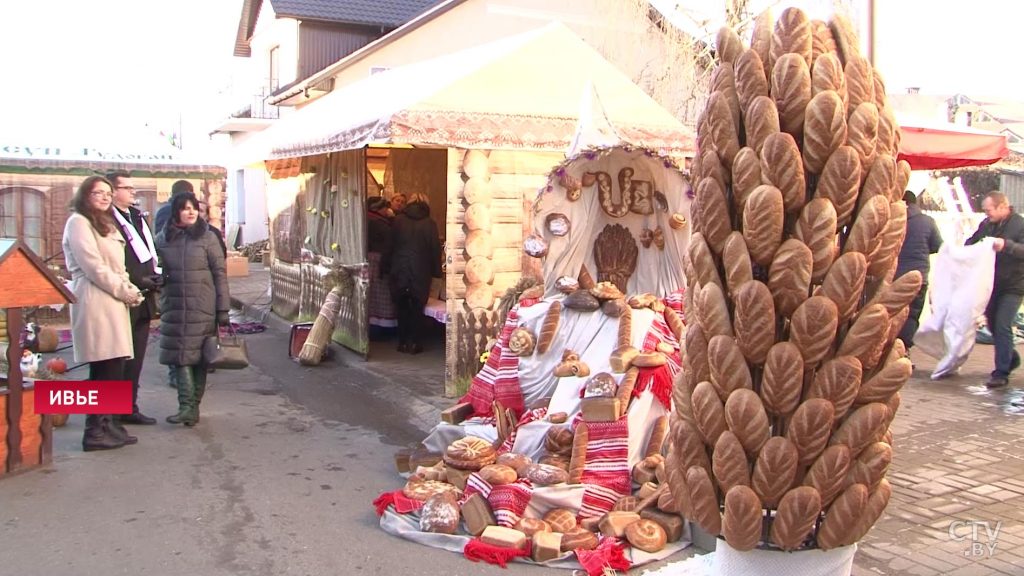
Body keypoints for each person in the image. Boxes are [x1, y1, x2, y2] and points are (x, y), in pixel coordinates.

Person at [62, 176, 145, 451]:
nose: (105, 196)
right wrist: (124, 291)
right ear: (85, 195)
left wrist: (130, 288)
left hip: (113, 300)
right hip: (95, 299)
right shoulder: (78, 222)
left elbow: (118, 267)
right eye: (98, 192)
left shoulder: (105, 223)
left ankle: (110, 424)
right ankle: (95, 431)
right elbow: (93, 267)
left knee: (114, 365)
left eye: (108, 192)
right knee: (103, 366)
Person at [155, 192, 231, 425]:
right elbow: (155, 270)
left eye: (194, 208)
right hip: (175, 306)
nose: (191, 212)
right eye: (185, 208)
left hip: (202, 307)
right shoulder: (162, 239)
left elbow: (220, 274)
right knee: (181, 358)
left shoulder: (208, 238)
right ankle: (187, 407)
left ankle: (192, 407)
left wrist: (223, 309)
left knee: (200, 358)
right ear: (176, 211)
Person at [106, 170, 160, 425]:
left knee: (136, 357)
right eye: (126, 188)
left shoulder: (136, 216)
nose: (132, 192)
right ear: (113, 191)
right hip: (121, 294)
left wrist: (156, 275)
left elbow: (148, 250)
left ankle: (129, 407)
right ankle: (110, 415)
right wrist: (137, 280)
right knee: (117, 358)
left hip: (144, 295)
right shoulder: (106, 220)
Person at [965, 191, 1024, 388]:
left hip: (1014, 285)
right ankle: (1010, 358)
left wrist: (1006, 245)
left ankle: (1001, 373)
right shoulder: (987, 225)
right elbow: (972, 242)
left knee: (1002, 324)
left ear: (1002, 207)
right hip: (991, 284)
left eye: (988, 210)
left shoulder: (1020, 224)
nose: (986, 213)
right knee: (992, 325)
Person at [153, 179, 199, 389]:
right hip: (175, 280)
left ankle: (187, 370)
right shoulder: (168, 215)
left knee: (185, 330)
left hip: (188, 281)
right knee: (176, 330)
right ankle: (176, 372)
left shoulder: (199, 226)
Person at [389, 192, 441, 354]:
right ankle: (416, 343)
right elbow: (435, 248)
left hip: (400, 268)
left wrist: (385, 266)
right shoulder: (429, 223)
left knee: (402, 305)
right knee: (417, 307)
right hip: (421, 269)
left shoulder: (398, 220)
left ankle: (402, 342)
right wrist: (437, 271)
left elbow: (390, 244)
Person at [895, 191, 943, 352]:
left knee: (893, 313)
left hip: (894, 276)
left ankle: (891, 350)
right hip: (919, 277)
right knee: (912, 315)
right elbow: (938, 246)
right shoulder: (927, 222)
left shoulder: (894, 220)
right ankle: (903, 351)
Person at [367, 196, 397, 339]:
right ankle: (382, 329)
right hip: (380, 260)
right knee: (382, 296)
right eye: (385, 207)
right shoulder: (380, 223)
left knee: (372, 297)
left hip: (370, 260)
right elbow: (389, 242)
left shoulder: (367, 219)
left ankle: (373, 328)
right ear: (379, 209)